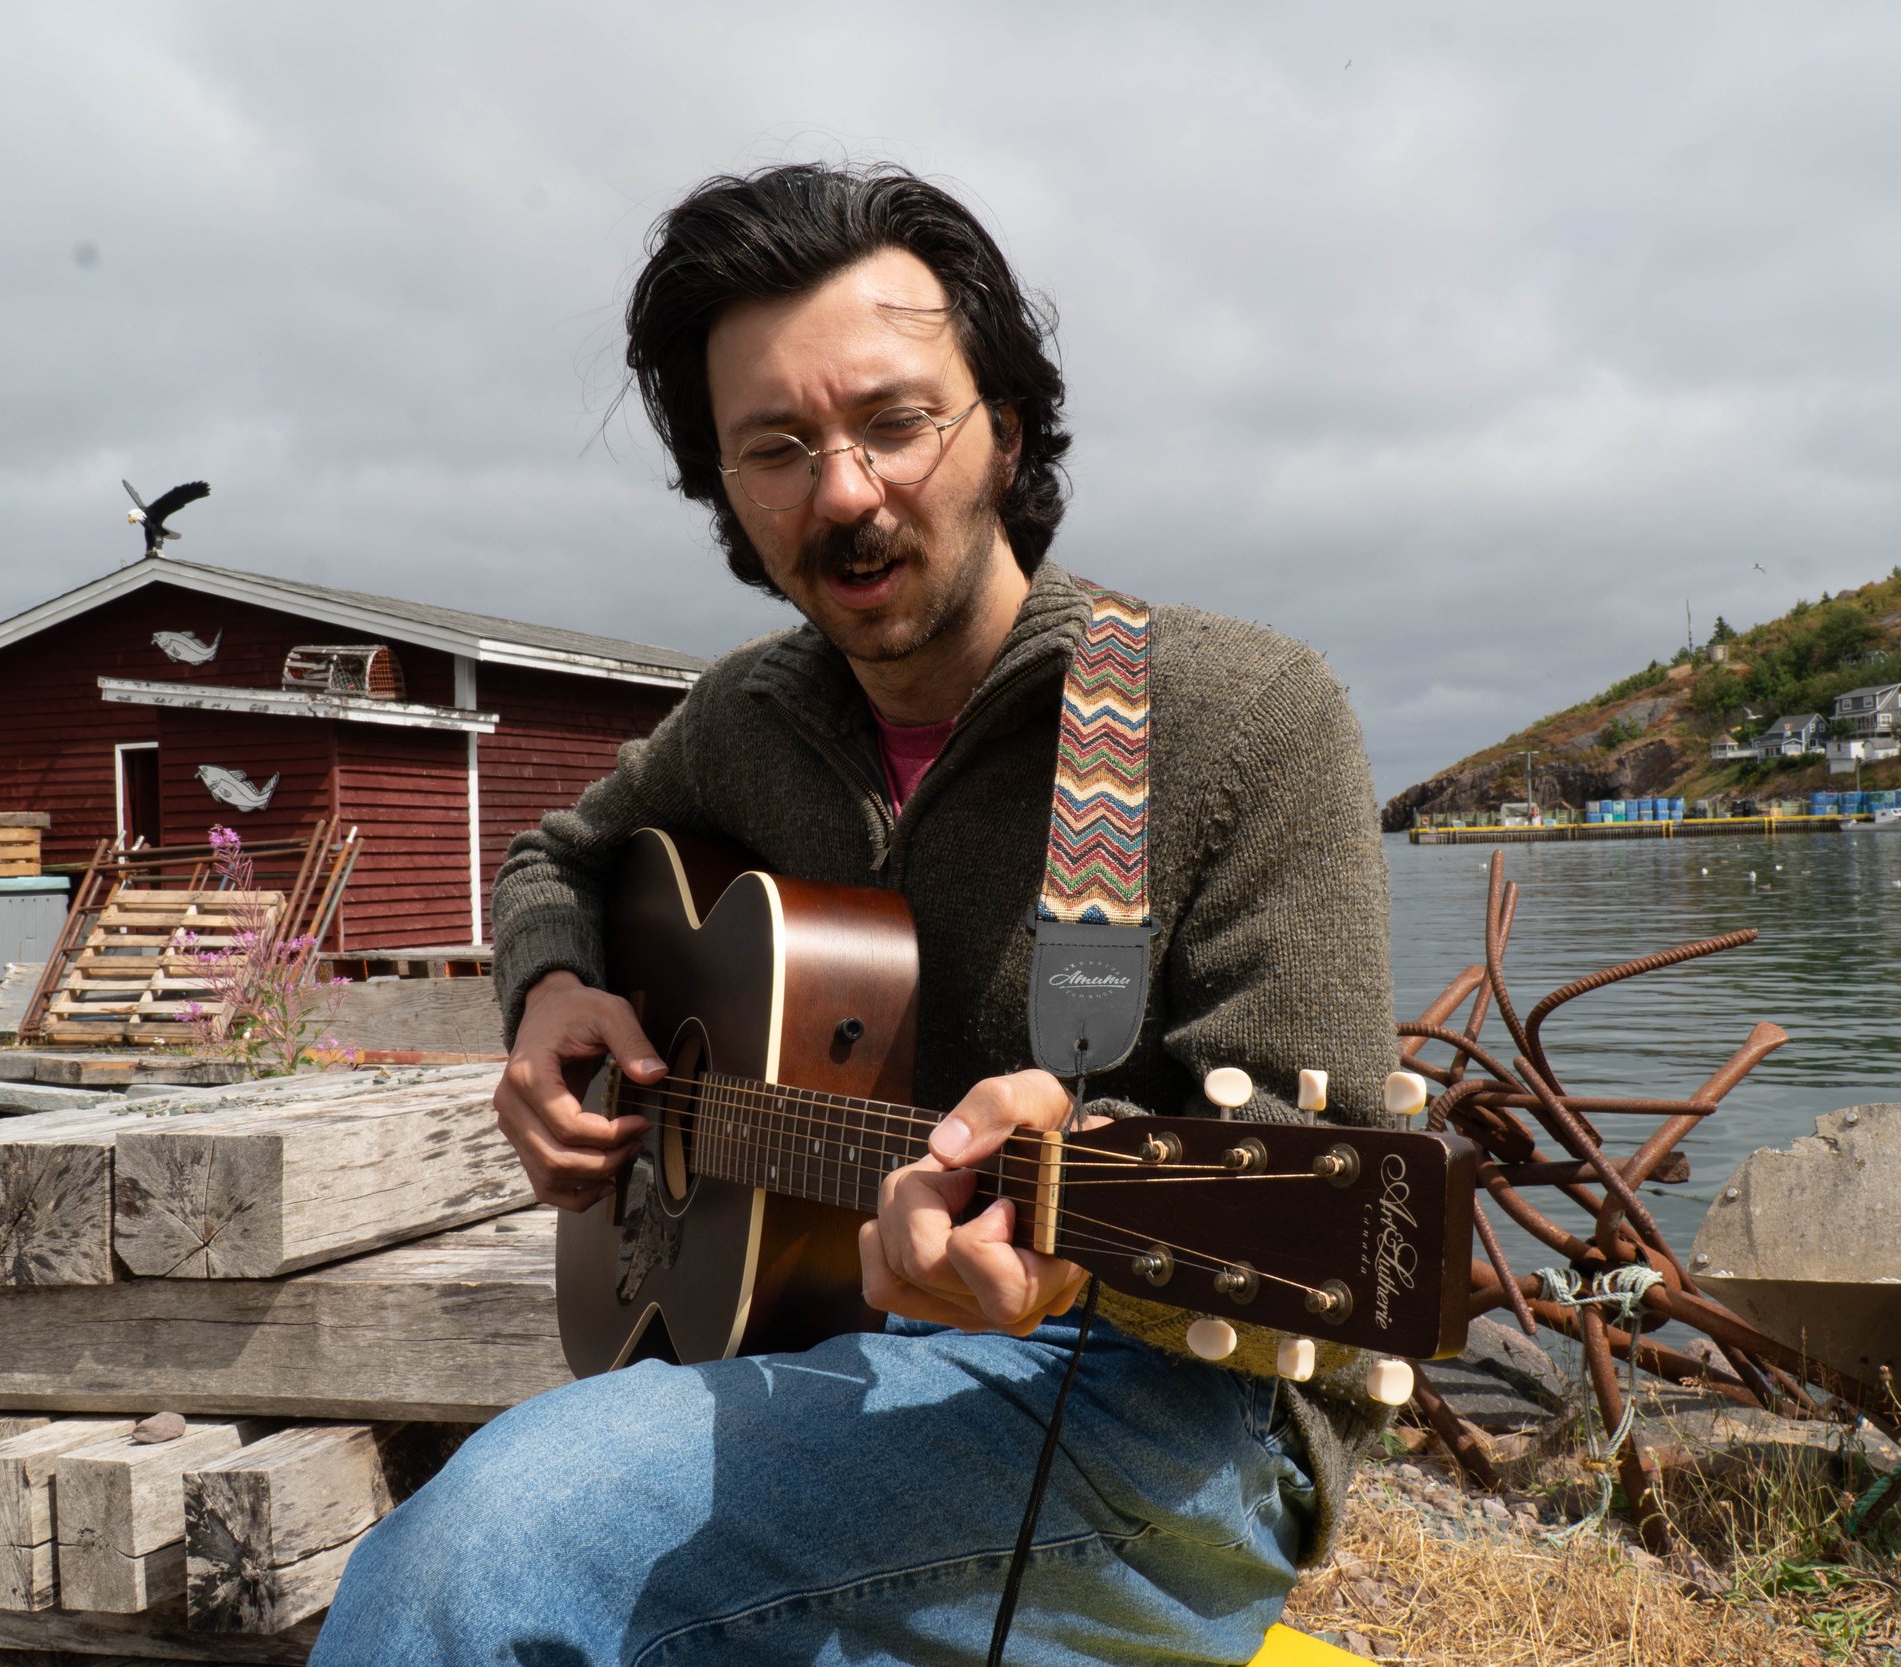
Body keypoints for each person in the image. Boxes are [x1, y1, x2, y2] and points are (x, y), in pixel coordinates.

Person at [312, 163, 1397, 1667]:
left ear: (1002, 430)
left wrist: (1076, 1245)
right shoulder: (743, 718)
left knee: (489, 1554)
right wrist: (553, 997)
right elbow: (555, 859)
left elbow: (1313, 1191)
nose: (844, 493)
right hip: (829, 1354)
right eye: (776, 449)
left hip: (1166, 1406)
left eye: (896, 422)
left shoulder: (1240, 719)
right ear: (728, 495)